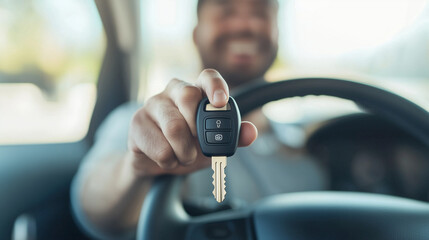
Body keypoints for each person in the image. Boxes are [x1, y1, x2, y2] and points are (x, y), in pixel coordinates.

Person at [71, 0, 326, 239]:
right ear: (196, 34)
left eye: (260, 13)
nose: (244, 25)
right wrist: (134, 170)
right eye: (226, 11)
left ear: (277, 33)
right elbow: (93, 204)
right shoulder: (145, 122)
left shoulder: (308, 145)